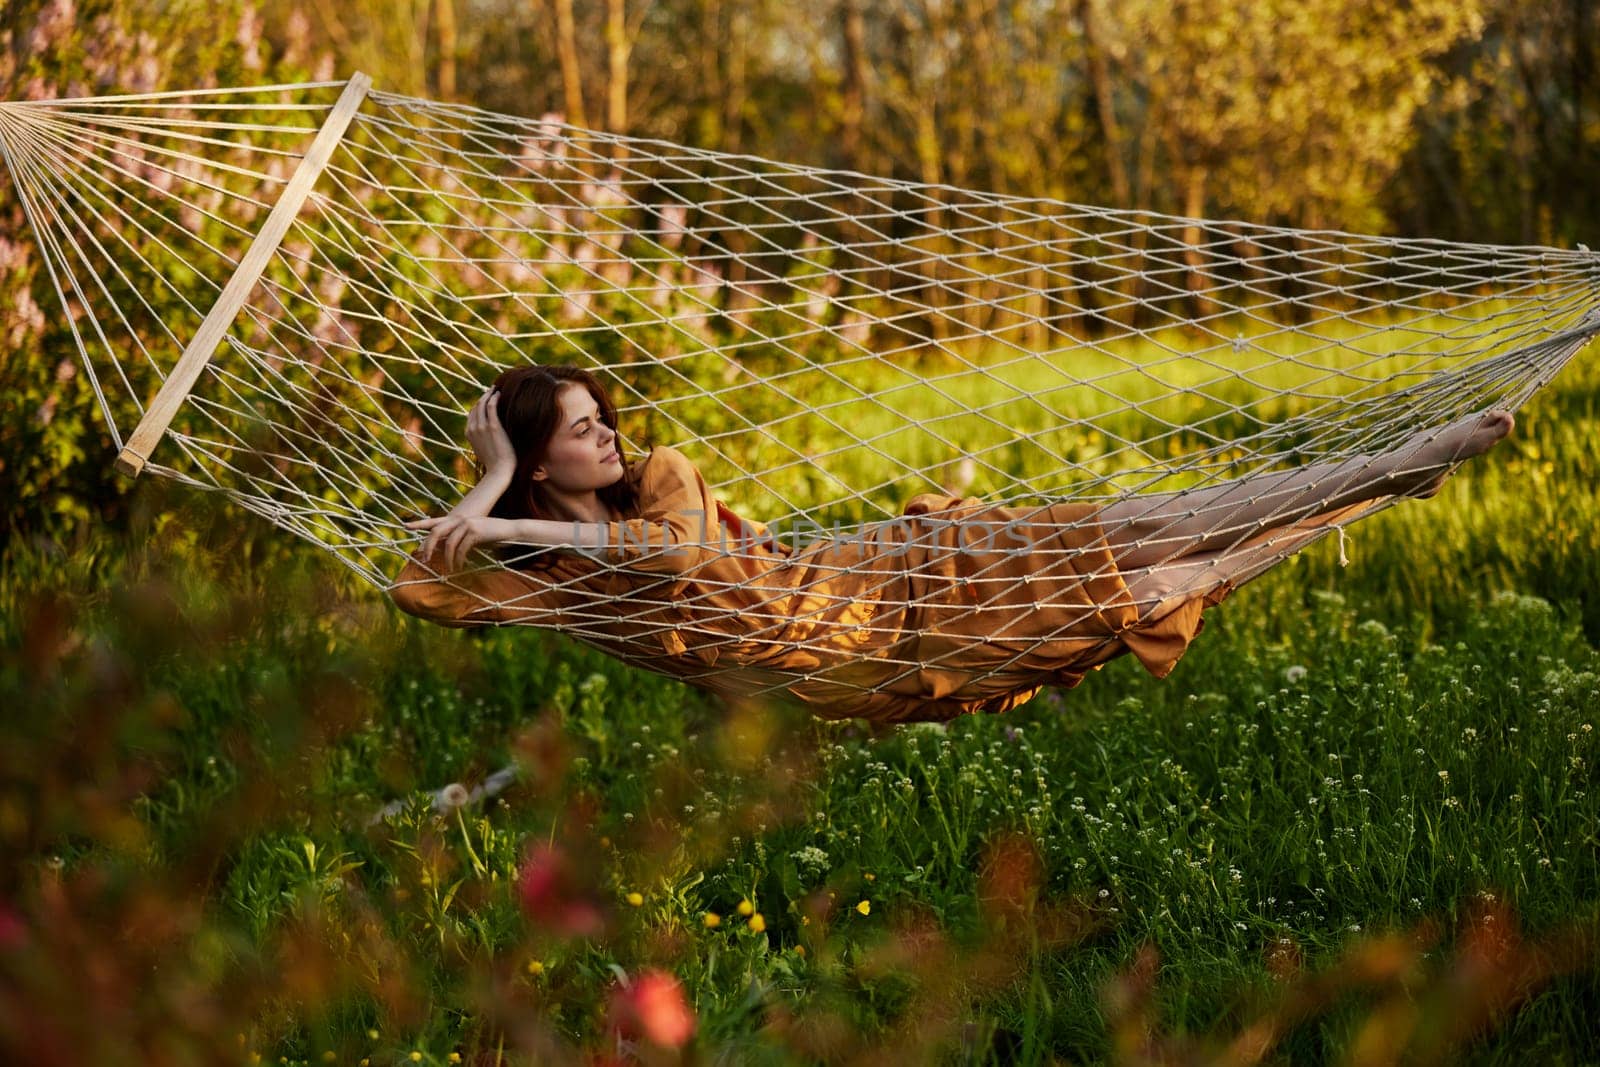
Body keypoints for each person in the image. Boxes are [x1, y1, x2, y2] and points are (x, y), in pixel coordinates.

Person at [391, 364, 1514, 724]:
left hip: (886, 569)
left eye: (606, 417)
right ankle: (1373, 492)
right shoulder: (563, 592)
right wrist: (489, 483)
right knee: (1159, 587)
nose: (611, 434)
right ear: (544, 461)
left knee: (1156, 524)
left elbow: (677, 558)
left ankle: (1387, 465)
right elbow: (419, 591)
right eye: (584, 430)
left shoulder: (665, 479)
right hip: (872, 661)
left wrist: (504, 506)